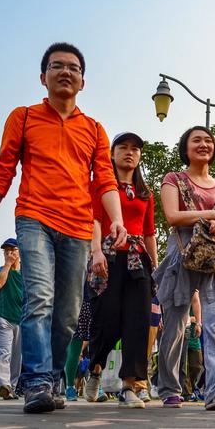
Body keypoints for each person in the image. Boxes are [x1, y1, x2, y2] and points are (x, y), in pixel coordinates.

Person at [0, 42, 127, 414]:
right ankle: (37, 382)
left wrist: (115, 219)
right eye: (57, 66)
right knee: (39, 296)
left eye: (73, 67)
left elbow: (104, 180)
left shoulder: (95, 129)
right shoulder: (23, 117)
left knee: (68, 312)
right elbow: (2, 172)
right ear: (43, 77)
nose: (65, 71)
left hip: (77, 227)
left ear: (82, 81)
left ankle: (53, 377)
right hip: (34, 218)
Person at [154, 126, 215, 411]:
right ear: (186, 147)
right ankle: (169, 387)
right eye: (197, 140)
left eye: (208, 140)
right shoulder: (174, 179)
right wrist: (211, 214)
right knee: (176, 326)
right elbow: (172, 216)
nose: (204, 144)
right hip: (181, 258)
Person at [85, 131, 157, 409]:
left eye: (135, 149)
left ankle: (130, 386)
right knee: (108, 320)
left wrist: (156, 267)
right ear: (112, 153)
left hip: (139, 262)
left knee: (137, 322)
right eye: (123, 147)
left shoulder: (145, 193)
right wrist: (96, 252)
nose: (130, 153)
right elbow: (94, 219)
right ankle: (95, 367)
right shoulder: (100, 185)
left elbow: (150, 232)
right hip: (108, 258)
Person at [0, 238, 23, 400]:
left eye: (12, 250)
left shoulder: (27, 272)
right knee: (4, 353)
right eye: (6, 251)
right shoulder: (0, 269)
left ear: (20, 252)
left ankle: (13, 385)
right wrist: (7, 265)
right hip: (3, 317)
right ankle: (4, 385)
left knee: (17, 357)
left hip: (21, 318)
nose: (9, 253)